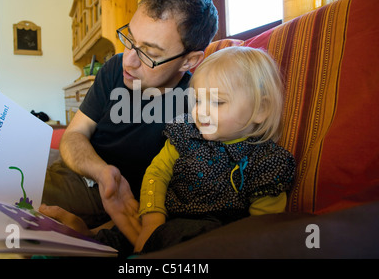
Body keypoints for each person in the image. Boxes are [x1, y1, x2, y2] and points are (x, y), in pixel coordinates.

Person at [40, 0, 218, 235]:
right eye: (131, 40)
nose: (129, 61)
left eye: (150, 53)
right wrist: (101, 171)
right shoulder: (115, 67)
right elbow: (75, 134)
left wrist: (97, 232)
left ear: (188, 61)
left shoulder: (194, 107)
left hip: (101, 196)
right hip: (81, 170)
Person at [114, 46, 296, 253]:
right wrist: (151, 221)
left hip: (212, 236)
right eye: (198, 100)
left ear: (261, 109)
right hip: (164, 220)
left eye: (217, 102)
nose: (200, 111)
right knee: (113, 238)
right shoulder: (185, 133)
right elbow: (157, 173)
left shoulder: (267, 161)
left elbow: (262, 228)